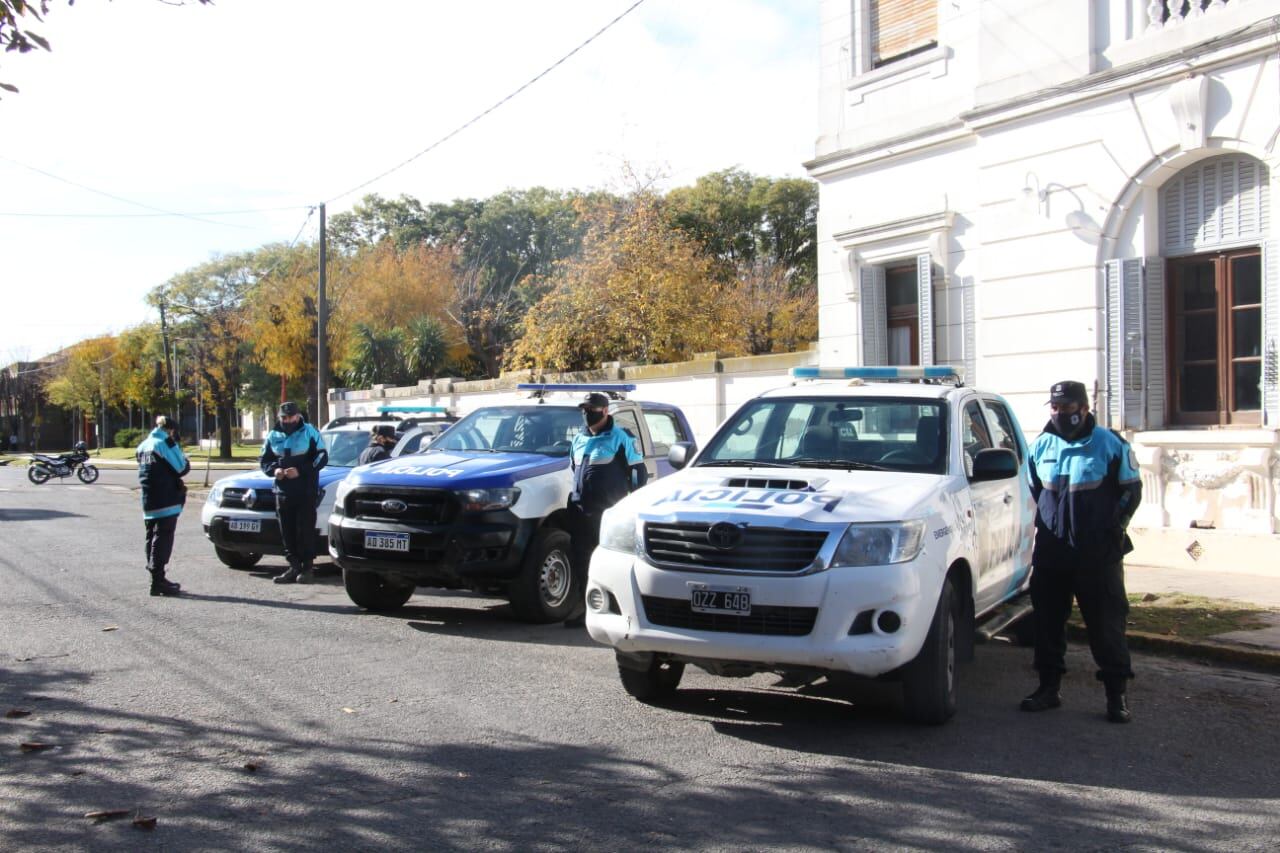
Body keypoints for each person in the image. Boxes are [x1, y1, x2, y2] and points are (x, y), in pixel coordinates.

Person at [1022, 380, 1142, 723]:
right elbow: (1035, 489)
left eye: (1068, 408)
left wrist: (1111, 529)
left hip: (1098, 555)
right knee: (1046, 625)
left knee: (1107, 627)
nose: (1060, 414)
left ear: (1084, 409)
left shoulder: (1110, 443)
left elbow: (1131, 492)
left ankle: (1116, 696)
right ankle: (1048, 689)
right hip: (1052, 553)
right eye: (1055, 408)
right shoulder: (1040, 446)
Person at [564, 392, 648, 627]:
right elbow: (574, 469)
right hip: (581, 510)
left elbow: (637, 473)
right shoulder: (578, 439)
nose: (586, 414)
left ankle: (621, 610)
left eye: (591, 409)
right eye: (584, 409)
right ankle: (587, 608)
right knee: (583, 560)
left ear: (605, 411)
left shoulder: (621, 437)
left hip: (608, 512)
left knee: (612, 561)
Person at [259, 402, 328, 584]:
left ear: (298, 416)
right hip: (283, 491)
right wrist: (274, 471)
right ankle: (293, 566)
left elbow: (321, 456)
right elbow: (265, 460)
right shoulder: (273, 435)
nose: (287, 420)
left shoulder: (309, 431)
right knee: (286, 530)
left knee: (305, 528)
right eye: (284, 417)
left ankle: (307, 568)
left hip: (305, 489)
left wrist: (301, 470)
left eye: (290, 417)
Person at [136, 415, 190, 597]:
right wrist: (181, 453)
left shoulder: (143, 445)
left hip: (148, 499)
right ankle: (158, 580)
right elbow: (181, 467)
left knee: (151, 536)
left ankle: (156, 577)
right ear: (170, 430)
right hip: (166, 498)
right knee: (163, 537)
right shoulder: (163, 443)